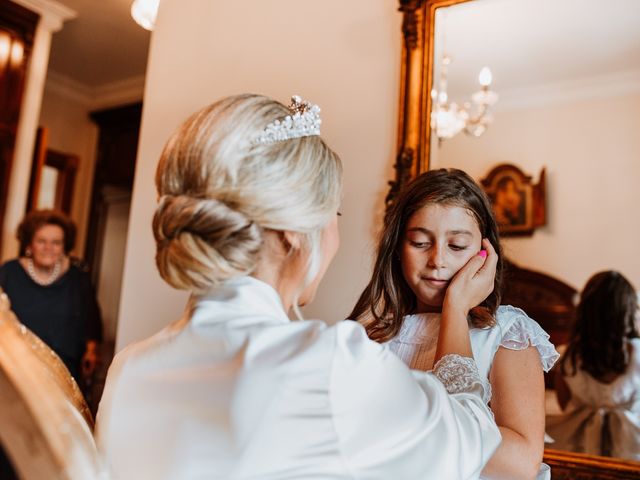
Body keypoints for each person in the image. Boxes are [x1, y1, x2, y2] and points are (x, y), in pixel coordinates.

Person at [95, 94, 502, 479]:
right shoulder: (328, 366)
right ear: (293, 232)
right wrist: (457, 308)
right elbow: (469, 436)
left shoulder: (130, 366)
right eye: (333, 214)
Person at [350, 168, 559, 480]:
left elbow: (518, 465)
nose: (437, 259)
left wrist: (456, 309)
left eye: (457, 246)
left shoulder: (507, 335)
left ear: (485, 253)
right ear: (397, 248)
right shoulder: (370, 334)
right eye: (420, 242)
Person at [546, 270, 640, 460]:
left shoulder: (567, 356)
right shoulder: (638, 353)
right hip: (632, 448)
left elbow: (565, 405)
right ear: (629, 312)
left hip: (578, 446)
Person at [0, 209, 102, 383]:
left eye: (56, 242)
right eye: (41, 241)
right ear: (29, 244)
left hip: (64, 373)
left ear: (64, 246)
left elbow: (91, 321)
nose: (49, 248)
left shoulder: (78, 277)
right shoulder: (9, 272)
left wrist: (91, 351)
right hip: (16, 371)